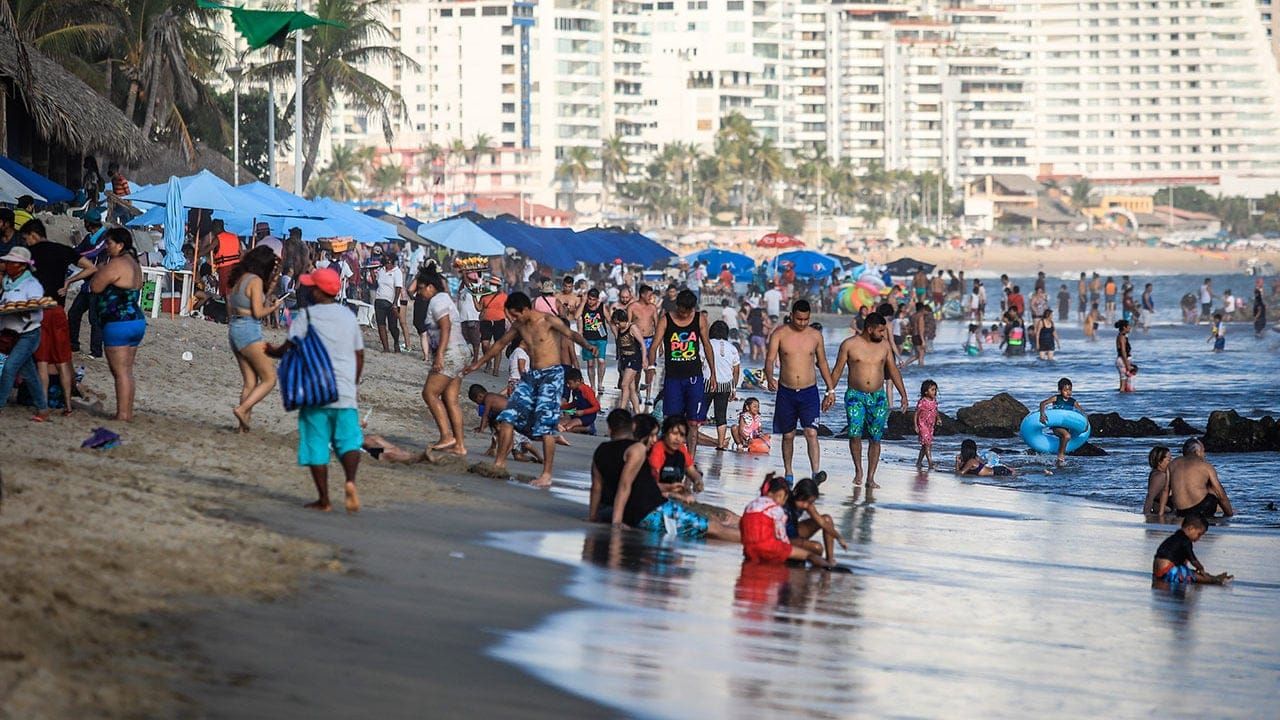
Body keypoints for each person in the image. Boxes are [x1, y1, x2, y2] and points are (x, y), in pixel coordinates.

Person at [464, 291, 597, 487]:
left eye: (516, 315)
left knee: (546, 425)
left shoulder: (548, 320)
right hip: (532, 376)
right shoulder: (519, 325)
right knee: (508, 416)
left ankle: (546, 474)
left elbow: (571, 334)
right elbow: (500, 344)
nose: (514, 319)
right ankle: (499, 463)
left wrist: (588, 345)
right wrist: (479, 363)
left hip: (552, 376)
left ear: (525, 309)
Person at [266, 267, 363, 513]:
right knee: (349, 440)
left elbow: (288, 348)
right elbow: (359, 355)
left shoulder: (306, 317)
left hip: (315, 389)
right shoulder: (348, 316)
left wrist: (270, 350)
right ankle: (350, 481)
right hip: (344, 389)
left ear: (319, 291)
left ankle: (324, 500)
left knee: (316, 442)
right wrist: (353, 382)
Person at [611, 415, 742, 541]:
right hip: (662, 503)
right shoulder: (656, 451)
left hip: (677, 500)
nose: (678, 439)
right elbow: (646, 487)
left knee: (726, 515)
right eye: (674, 434)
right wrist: (672, 491)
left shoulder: (680, 450)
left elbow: (691, 471)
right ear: (665, 433)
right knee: (717, 524)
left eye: (682, 435)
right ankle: (756, 540)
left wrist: (697, 481)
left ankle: (758, 527)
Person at [24, 220, 94, 415]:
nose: (27, 242)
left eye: (26, 238)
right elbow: (91, 268)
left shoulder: (30, 254)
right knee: (63, 360)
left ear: (33, 234)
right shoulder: (62, 250)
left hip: (40, 312)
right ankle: (68, 406)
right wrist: (69, 281)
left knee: (43, 362)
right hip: (58, 311)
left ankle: (43, 406)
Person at [830, 312, 907, 488]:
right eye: (880, 331)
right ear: (869, 328)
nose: (883, 334)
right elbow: (837, 371)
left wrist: (903, 394)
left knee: (876, 438)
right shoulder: (849, 345)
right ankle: (858, 470)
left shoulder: (885, 346)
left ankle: (871, 477)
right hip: (855, 396)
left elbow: (893, 370)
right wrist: (830, 393)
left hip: (878, 397)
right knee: (855, 434)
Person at [764, 300, 835, 484]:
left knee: (811, 433)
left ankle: (815, 473)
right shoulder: (780, 333)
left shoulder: (815, 336)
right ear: (791, 315)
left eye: (806, 319)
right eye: (799, 319)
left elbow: (823, 363)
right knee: (788, 435)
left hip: (809, 391)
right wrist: (770, 376)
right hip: (786, 392)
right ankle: (788, 473)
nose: (802, 323)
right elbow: (770, 359)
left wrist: (831, 389)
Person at [647, 289, 717, 460]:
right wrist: (650, 366)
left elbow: (707, 346)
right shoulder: (666, 320)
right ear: (677, 306)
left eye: (687, 311)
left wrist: (713, 373)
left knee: (693, 423)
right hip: (673, 378)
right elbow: (655, 345)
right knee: (672, 421)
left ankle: (690, 460)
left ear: (692, 309)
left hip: (694, 377)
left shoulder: (700, 319)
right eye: (681, 310)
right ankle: (669, 456)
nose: (683, 314)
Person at [227, 246, 285, 432]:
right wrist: (274, 307)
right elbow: (258, 312)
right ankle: (242, 409)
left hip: (235, 328)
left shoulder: (241, 278)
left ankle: (242, 427)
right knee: (270, 378)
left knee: (250, 382)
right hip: (248, 330)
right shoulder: (256, 280)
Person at [90, 228, 145, 421]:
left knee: (120, 372)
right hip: (136, 320)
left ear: (120, 245)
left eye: (109, 243)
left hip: (118, 322)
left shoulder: (117, 263)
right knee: (127, 371)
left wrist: (101, 269)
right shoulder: (135, 264)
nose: (106, 247)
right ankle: (127, 412)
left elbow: (95, 286)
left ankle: (122, 414)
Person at [417, 267, 470, 455]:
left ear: (431, 287)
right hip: (461, 351)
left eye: (421, 288)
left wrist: (439, 355)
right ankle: (460, 445)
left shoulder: (437, 300)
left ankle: (447, 436)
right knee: (451, 399)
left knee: (429, 393)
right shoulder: (445, 298)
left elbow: (445, 327)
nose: (419, 292)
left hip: (450, 353)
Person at [0, 246, 50, 420]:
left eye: (11, 262)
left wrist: (16, 311)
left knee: (9, 368)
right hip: (10, 334)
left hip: (27, 334)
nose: (7, 264)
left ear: (21, 266)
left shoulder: (32, 285)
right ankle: (43, 408)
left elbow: (37, 313)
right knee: (29, 373)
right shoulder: (7, 282)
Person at [741, 475, 831, 566]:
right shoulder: (776, 510)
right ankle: (828, 567)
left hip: (750, 551)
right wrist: (790, 550)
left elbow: (743, 527)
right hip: (771, 548)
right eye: (782, 497)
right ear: (776, 495)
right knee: (810, 555)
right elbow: (781, 536)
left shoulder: (751, 505)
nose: (783, 500)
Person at [468, 384, 544, 464]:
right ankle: (502, 459)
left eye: (477, 402)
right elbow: (490, 421)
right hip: (514, 415)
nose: (478, 404)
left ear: (480, 396)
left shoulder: (488, 398)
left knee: (528, 439)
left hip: (516, 415)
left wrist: (481, 428)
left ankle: (501, 460)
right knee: (515, 444)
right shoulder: (493, 398)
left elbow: (485, 415)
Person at [588, 409, 639, 522]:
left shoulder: (602, 449)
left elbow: (596, 487)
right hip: (631, 510)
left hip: (605, 508)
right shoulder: (637, 449)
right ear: (633, 427)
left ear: (610, 429)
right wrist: (617, 520)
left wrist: (592, 515)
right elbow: (625, 485)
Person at [1152, 515, 1232, 585]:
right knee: (1193, 575)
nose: (1199, 538)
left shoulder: (1174, 537)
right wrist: (1201, 568)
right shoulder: (1186, 541)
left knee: (1189, 571)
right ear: (1190, 528)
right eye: (1199, 534)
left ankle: (1212, 577)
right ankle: (1213, 580)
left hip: (1157, 572)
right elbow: (1193, 560)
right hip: (1167, 572)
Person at [1166, 438, 1234, 519]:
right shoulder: (1205, 466)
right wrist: (1230, 514)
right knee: (1213, 489)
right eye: (1203, 451)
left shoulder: (1173, 464)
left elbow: (1166, 489)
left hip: (1181, 511)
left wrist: (1160, 512)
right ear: (1197, 452)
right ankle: (1226, 513)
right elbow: (1220, 493)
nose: (1204, 455)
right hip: (1201, 509)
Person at [785, 476, 847, 564]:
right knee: (817, 548)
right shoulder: (784, 500)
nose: (806, 505)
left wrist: (839, 538)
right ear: (796, 493)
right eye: (804, 501)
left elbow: (822, 522)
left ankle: (830, 560)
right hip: (782, 536)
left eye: (809, 502)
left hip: (793, 531)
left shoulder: (807, 504)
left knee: (826, 519)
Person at [703, 320, 741, 451]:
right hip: (725, 384)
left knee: (699, 413)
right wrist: (733, 388)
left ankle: (693, 437)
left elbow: (700, 364)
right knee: (721, 415)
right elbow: (736, 370)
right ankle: (720, 444)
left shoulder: (706, 345)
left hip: (708, 382)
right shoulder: (732, 348)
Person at [1037, 377, 1086, 466]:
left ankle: (1058, 459)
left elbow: (1082, 411)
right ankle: (1060, 458)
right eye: (1065, 390)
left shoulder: (1073, 401)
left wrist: (1085, 423)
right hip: (1057, 426)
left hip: (1067, 426)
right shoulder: (1056, 398)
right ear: (1060, 391)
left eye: (1070, 390)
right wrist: (1042, 414)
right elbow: (1043, 403)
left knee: (1066, 436)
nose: (1068, 392)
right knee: (1067, 436)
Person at [628, 284, 659, 406]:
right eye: (649, 295)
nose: (651, 298)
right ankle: (636, 392)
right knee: (637, 369)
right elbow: (628, 325)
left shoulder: (653, 308)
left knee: (650, 368)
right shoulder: (632, 307)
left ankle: (649, 395)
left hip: (650, 340)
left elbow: (657, 326)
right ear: (642, 295)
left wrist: (659, 344)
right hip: (636, 340)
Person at [612, 308, 645, 413]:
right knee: (631, 388)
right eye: (615, 323)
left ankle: (621, 410)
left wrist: (644, 359)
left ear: (624, 320)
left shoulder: (632, 328)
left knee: (624, 384)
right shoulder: (619, 329)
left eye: (618, 323)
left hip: (634, 358)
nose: (617, 326)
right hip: (624, 359)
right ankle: (637, 411)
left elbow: (642, 344)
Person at [372, 254, 403, 353]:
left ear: (392, 262)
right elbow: (376, 284)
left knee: (393, 326)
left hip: (391, 302)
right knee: (381, 324)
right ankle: (386, 348)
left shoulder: (397, 272)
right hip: (379, 299)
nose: (387, 264)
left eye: (388, 262)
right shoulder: (381, 271)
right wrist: (372, 273)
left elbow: (398, 288)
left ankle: (396, 342)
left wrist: (395, 303)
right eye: (385, 262)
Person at [477, 281, 509, 376]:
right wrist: (474, 297)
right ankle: (488, 361)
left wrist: (510, 321)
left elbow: (507, 309)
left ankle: (496, 369)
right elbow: (479, 308)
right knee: (485, 344)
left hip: (499, 321)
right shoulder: (484, 296)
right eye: (491, 284)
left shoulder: (504, 296)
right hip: (486, 321)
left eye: (494, 285)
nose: (492, 286)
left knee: (498, 345)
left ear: (498, 287)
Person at [579, 288, 609, 391]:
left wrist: (617, 334)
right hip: (588, 339)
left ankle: (600, 383)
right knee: (590, 364)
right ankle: (593, 385)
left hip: (601, 338)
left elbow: (609, 320)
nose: (590, 301)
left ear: (597, 300)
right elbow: (576, 316)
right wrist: (583, 303)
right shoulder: (584, 307)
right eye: (589, 299)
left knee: (601, 361)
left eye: (593, 299)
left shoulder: (602, 307)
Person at [559, 367, 600, 435]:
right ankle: (580, 426)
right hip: (577, 413)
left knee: (567, 428)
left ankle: (588, 428)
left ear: (578, 381)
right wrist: (562, 407)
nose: (568, 386)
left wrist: (583, 412)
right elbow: (574, 404)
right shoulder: (575, 390)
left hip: (588, 416)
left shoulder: (586, 390)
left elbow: (597, 407)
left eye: (570, 383)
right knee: (560, 424)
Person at [211, 219, 242, 299]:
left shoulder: (218, 238)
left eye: (213, 228)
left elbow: (208, 248)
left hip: (225, 268)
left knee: (226, 293)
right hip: (236, 267)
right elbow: (241, 252)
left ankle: (229, 310)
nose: (212, 231)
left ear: (217, 227)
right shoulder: (234, 237)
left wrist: (197, 255)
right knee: (234, 291)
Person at [915, 379, 939, 470]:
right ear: (925, 392)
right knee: (928, 444)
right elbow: (916, 413)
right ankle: (930, 463)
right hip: (923, 425)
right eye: (932, 390)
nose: (935, 392)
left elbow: (936, 411)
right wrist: (916, 425)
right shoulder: (922, 402)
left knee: (924, 445)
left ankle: (919, 462)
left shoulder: (934, 401)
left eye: (935, 390)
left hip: (930, 426)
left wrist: (938, 419)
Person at [1143, 445, 1173, 517]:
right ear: (1159, 462)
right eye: (1169, 460)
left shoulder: (1163, 473)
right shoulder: (1159, 476)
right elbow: (1150, 497)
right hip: (1166, 508)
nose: (1171, 462)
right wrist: (1146, 515)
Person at [1115, 319, 1133, 389]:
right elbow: (1123, 351)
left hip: (1122, 361)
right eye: (1128, 326)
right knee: (1123, 384)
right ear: (1124, 327)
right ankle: (1121, 398)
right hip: (1122, 361)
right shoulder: (1122, 337)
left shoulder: (1122, 336)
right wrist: (1127, 365)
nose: (1130, 327)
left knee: (1124, 382)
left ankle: (1123, 398)